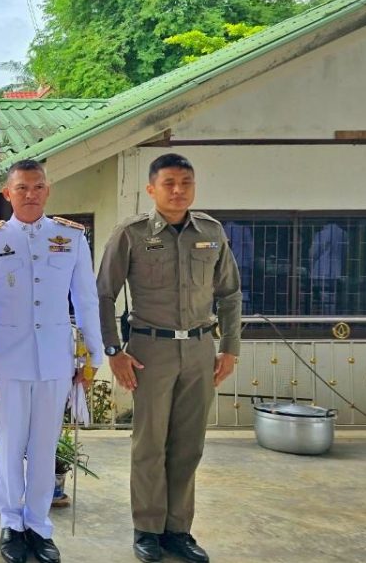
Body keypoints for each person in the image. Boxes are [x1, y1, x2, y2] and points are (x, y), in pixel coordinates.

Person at [97, 153, 241, 563]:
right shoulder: (131, 233)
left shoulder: (211, 232)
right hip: (150, 351)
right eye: (169, 183)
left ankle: (178, 531)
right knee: (150, 444)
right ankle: (147, 529)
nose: (178, 191)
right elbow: (104, 294)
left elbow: (230, 294)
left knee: (188, 445)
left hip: (199, 349)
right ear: (151, 189)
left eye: (186, 183)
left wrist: (230, 348)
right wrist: (114, 351)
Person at [0, 160, 104, 563]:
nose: (30, 194)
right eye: (21, 187)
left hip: (56, 359)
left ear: (47, 191)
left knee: (44, 446)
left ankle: (39, 525)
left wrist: (93, 356)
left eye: (37, 186)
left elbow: (86, 299)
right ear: (7, 193)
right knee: (9, 446)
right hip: (6, 361)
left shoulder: (70, 237)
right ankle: (11, 523)